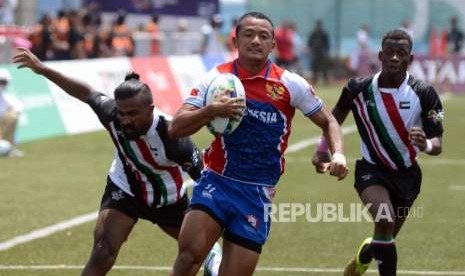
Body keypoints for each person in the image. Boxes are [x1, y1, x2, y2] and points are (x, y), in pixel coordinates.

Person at [12, 47, 222, 276]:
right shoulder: (111, 115)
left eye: (132, 114)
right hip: (126, 190)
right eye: (122, 113)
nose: (124, 120)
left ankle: (212, 251)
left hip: (169, 198)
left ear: (150, 110)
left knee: (192, 255)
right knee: (103, 251)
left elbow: (204, 178)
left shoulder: (173, 136)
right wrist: (42, 69)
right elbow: (85, 92)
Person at [168, 11, 348, 276]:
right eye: (248, 34)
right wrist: (211, 111)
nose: (256, 41)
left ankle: (215, 268)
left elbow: (329, 122)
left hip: (257, 194)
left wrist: (339, 155)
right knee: (188, 258)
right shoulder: (216, 79)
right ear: (235, 40)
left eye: (264, 36)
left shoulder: (290, 84)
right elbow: (176, 127)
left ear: (273, 44)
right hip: (217, 182)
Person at [312, 29, 444, 276]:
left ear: (410, 59)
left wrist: (425, 144)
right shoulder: (357, 88)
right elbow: (334, 117)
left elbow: (438, 142)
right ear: (380, 56)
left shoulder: (425, 93)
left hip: (408, 176)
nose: (395, 58)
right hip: (371, 171)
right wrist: (322, 150)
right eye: (390, 53)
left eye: (401, 53)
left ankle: (366, 254)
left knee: (386, 236)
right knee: (384, 221)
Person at [0, 69, 23, 157]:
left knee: (12, 116)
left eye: (3, 82)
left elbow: (19, 108)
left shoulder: (8, 98)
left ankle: (9, 148)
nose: (1, 85)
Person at [307, 19, 330, 85]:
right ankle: (314, 81)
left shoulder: (323, 33)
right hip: (315, 53)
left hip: (322, 52)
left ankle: (325, 81)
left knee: (324, 68)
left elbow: (327, 44)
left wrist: (326, 52)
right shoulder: (313, 33)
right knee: (314, 68)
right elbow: (309, 43)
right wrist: (311, 49)